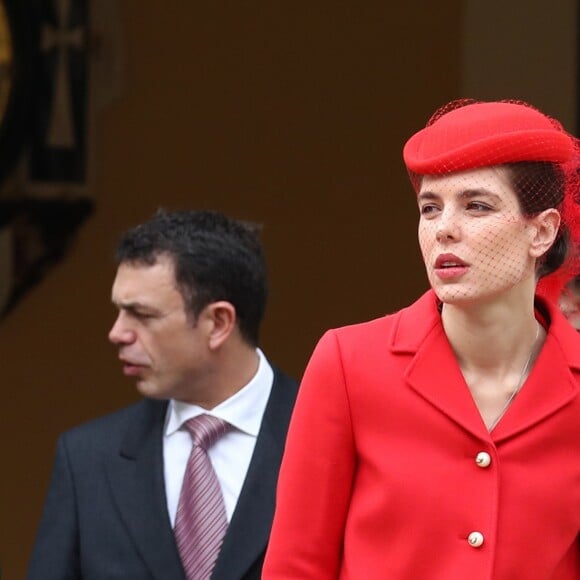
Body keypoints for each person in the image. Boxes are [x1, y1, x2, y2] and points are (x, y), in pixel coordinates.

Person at [262, 99, 580, 579]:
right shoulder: (349, 363)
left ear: (542, 231)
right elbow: (295, 565)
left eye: (476, 205)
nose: (443, 229)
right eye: (429, 208)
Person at [27, 209, 299, 580]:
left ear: (218, 323)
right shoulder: (87, 460)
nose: (117, 333)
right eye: (119, 312)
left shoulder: (336, 439)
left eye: (141, 314)